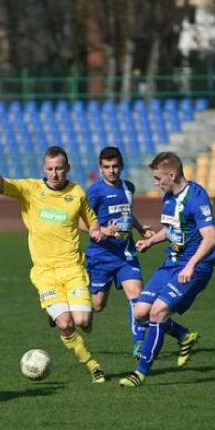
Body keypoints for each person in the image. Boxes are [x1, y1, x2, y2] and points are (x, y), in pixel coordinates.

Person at [0, 146, 114, 383]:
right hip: (45, 273)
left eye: (59, 168)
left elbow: (91, 220)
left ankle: (60, 314)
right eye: (50, 168)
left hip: (73, 269)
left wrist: (96, 231)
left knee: (84, 321)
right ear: (44, 169)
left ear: (67, 168)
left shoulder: (77, 192)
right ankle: (93, 366)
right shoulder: (31, 189)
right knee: (67, 323)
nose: (54, 173)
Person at [119, 151, 215, 388]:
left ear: (172, 175)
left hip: (195, 265)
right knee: (141, 312)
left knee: (157, 313)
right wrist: (151, 241)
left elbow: (211, 237)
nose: (155, 182)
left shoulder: (196, 197)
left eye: (157, 178)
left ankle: (140, 372)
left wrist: (192, 265)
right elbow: (174, 230)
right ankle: (184, 335)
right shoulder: (169, 196)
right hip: (172, 262)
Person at [85, 146, 157, 360]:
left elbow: (128, 213)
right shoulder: (95, 191)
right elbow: (81, 218)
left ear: (121, 166)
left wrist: (140, 228)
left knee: (136, 293)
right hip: (101, 256)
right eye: (107, 167)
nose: (112, 171)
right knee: (97, 306)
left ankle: (139, 343)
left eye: (115, 166)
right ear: (101, 168)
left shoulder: (129, 187)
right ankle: (72, 307)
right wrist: (99, 230)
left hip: (126, 252)